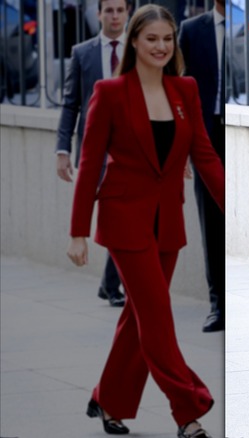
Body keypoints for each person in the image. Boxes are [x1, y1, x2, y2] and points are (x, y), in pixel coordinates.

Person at [66, 5, 224, 437]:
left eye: (167, 39)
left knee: (138, 319)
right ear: (133, 40)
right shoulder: (110, 92)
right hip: (124, 220)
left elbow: (205, 155)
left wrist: (229, 207)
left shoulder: (185, 89)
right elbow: (90, 163)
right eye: (151, 38)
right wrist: (78, 231)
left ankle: (109, 399)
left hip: (167, 222)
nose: (160, 46)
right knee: (156, 319)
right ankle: (188, 409)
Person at [56, 0, 132, 308]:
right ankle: (111, 284)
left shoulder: (139, 49)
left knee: (123, 217)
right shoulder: (82, 53)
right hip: (95, 149)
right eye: (108, 10)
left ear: (128, 12)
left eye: (120, 10)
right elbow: (70, 103)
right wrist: (62, 149)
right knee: (113, 217)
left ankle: (111, 283)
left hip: (130, 149)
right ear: (98, 14)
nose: (114, 16)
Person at [179, 0, 227, 332]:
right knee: (211, 221)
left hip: (234, 131)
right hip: (205, 136)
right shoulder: (191, 30)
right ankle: (217, 305)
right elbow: (178, 87)